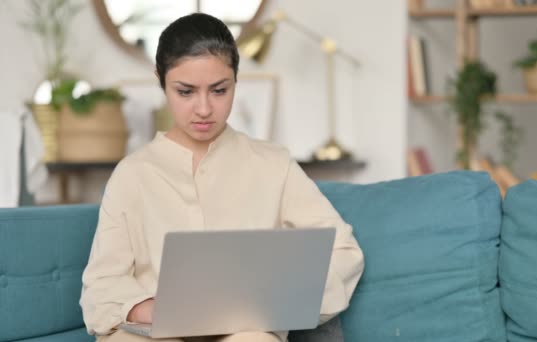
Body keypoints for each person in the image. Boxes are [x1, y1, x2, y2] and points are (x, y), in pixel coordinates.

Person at [80, 12, 364, 342]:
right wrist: (146, 308)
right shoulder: (132, 174)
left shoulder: (274, 165)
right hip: (153, 335)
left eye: (219, 90)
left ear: (235, 81)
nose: (203, 109)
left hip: (245, 330)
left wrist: (273, 300)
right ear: (161, 80)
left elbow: (344, 253)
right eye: (185, 92)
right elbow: (101, 285)